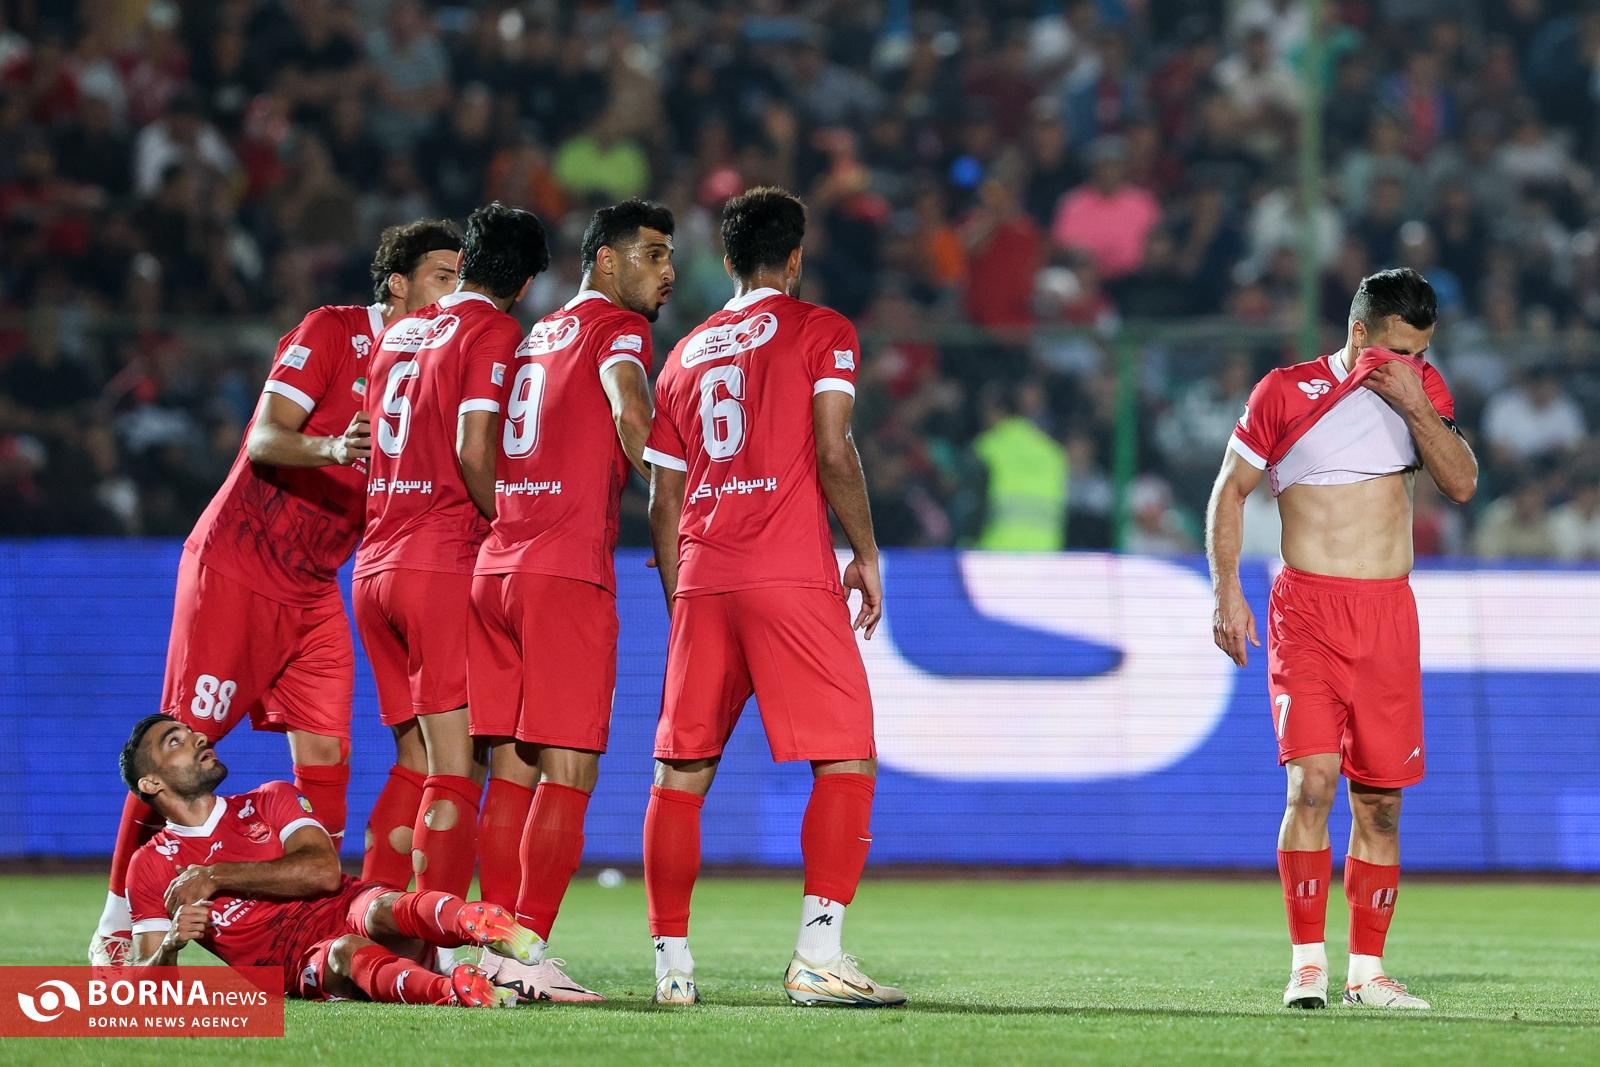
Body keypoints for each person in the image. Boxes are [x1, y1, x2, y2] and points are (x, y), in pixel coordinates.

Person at [91, 219, 464, 966]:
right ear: (397, 283)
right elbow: (264, 437)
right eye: (443, 278)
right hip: (238, 566)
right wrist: (333, 446)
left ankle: (315, 922)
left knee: (327, 756)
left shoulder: (432, 369)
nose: (454, 294)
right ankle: (116, 924)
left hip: (316, 586)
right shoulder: (331, 332)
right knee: (179, 747)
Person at [641, 187, 905, 1008]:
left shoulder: (682, 356)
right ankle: (817, 955)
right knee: (847, 754)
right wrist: (865, 551)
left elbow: (661, 499)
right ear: (795, 258)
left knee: (679, 772)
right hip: (787, 570)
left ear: (725, 259)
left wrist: (682, 597)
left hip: (703, 575)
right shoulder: (821, 329)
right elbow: (834, 448)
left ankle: (672, 966)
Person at [1204, 268, 1477, 1011]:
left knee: (1380, 805)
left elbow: (1460, 482)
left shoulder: (1424, 391)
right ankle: (1307, 964)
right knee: (1312, 782)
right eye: (1399, 350)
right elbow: (1230, 488)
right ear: (1360, 334)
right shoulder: (1286, 392)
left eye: (1422, 352)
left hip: (1387, 615)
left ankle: (1367, 972)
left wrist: (1416, 403)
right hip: (1308, 614)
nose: (1412, 364)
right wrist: (1226, 590)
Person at [469, 199, 673, 1001]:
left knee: (511, 769)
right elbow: (631, 410)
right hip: (563, 572)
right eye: (652, 255)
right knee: (572, 766)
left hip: (499, 565)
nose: (666, 273)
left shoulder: (536, 334)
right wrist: (680, 488)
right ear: (607, 261)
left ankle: (490, 947)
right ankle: (526, 952)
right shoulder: (618, 330)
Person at [354, 202, 549, 906]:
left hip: (374, 565)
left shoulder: (398, 332)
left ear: (464, 263)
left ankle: (367, 923)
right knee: (456, 768)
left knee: (414, 762)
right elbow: (474, 450)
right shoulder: (494, 330)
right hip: (438, 563)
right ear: (525, 284)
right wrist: (516, 527)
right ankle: (434, 934)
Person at [121, 713, 531, 1008]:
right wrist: (170, 947)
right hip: (296, 959)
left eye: (191, 732)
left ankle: (472, 922)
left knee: (379, 906)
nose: (198, 738)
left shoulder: (269, 798)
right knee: (345, 951)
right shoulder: (151, 865)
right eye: (174, 741)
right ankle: (455, 989)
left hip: (348, 905)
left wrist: (215, 876)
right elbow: (146, 989)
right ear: (151, 782)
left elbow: (324, 872)